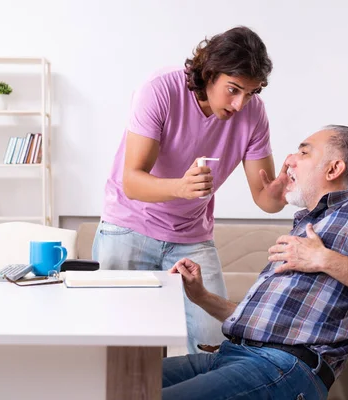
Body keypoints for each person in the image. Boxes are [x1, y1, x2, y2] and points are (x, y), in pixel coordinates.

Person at [163, 125, 348, 399]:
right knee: (126, 378)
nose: (289, 160)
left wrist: (323, 258)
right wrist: (201, 296)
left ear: (333, 169)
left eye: (303, 152)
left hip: (282, 368)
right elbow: (260, 323)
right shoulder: (306, 226)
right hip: (233, 355)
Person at [92, 26, 289, 354]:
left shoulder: (253, 114)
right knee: (119, 350)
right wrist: (181, 188)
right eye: (234, 89)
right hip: (128, 227)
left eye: (251, 93)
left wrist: (281, 191)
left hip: (190, 237)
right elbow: (132, 181)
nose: (240, 104)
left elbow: (265, 199)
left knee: (216, 344)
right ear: (210, 72)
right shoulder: (160, 89)